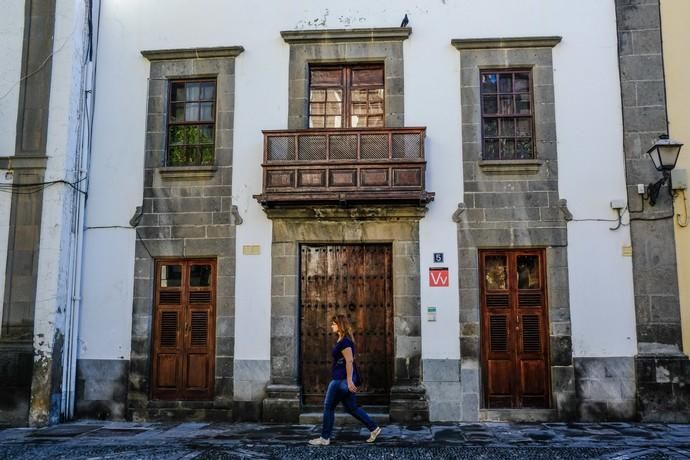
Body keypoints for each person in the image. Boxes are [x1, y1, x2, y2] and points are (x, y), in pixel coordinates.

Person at [308, 314, 382, 446]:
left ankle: (325, 438)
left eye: (334, 324)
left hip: (340, 380)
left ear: (340, 325)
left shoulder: (345, 342)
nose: (331, 326)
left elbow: (349, 361)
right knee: (351, 407)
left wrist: (349, 381)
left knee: (328, 407)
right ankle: (374, 428)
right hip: (343, 380)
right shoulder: (342, 340)